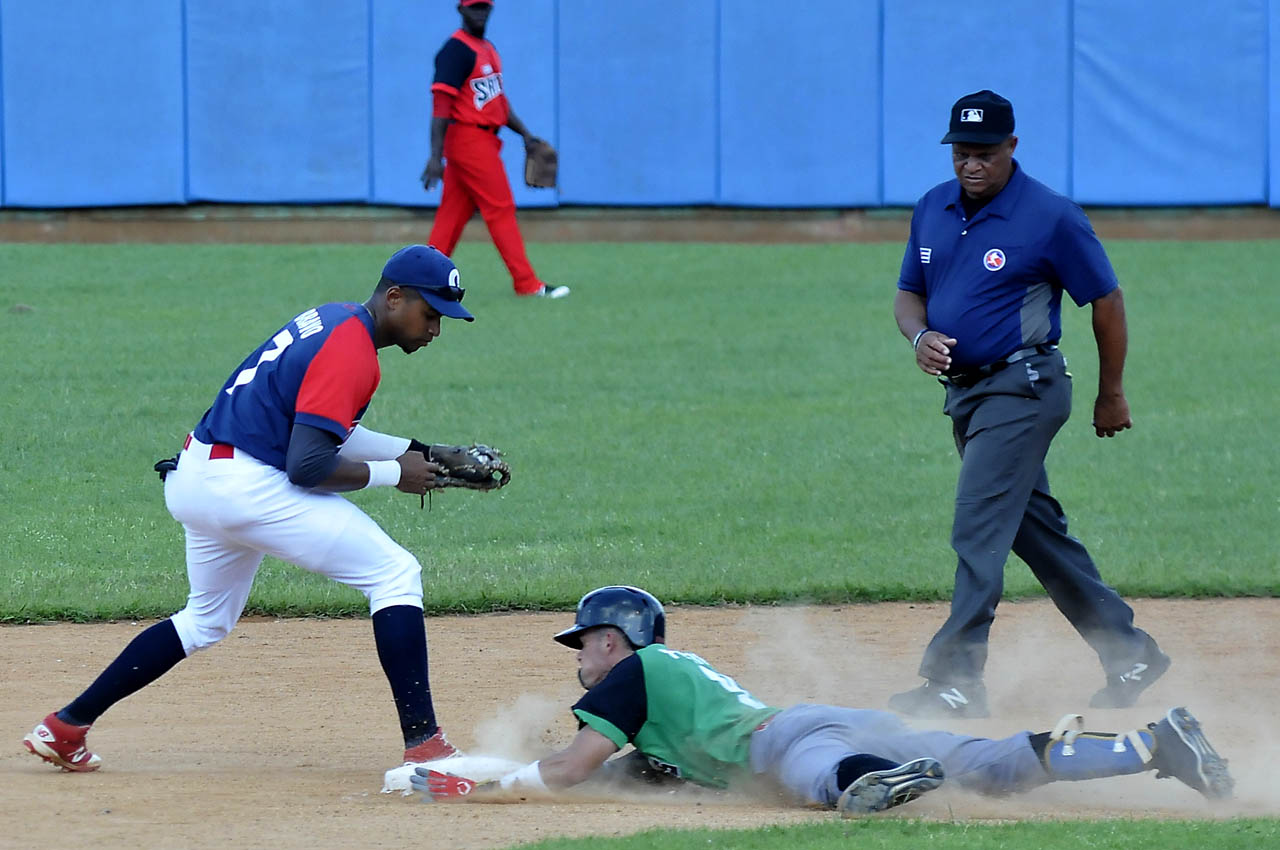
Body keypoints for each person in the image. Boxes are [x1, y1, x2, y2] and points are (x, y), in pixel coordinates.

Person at [22, 245, 474, 772]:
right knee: (396, 574)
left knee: (205, 619)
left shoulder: (336, 319)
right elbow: (307, 466)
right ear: (395, 298)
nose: (436, 329)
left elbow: (326, 428)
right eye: (431, 313)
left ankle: (65, 726)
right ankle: (425, 746)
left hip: (199, 475)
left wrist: (421, 449)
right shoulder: (352, 350)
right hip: (245, 485)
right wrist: (398, 472)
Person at [411, 586, 1233, 815]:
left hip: (794, 739)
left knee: (820, 775)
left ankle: (866, 784)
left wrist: (485, 779)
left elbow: (568, 768)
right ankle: (1151, 746)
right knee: (984, 765)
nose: (580, 656)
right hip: (829, 717)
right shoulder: (672, 682)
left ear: (615, 642)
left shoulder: (636, 672)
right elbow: (624, 773)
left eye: (584, 641)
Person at [887, 90, 1169, 719]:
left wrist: (1112, 392)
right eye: (962, 152)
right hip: (967, 395)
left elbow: (1107, 300)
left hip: (1024, 388)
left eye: (985, 153)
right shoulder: (933, 208)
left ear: (1012, 147)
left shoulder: (1051, 216)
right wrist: (919, 336)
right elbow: (909, 295)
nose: (971, 165)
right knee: (1032, 533)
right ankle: (1128, 651)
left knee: (977, 527)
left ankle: (955, 682)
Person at [421, 0, 569, 300]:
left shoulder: (487, 48)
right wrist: (435, 157)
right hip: (467, 140)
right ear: (460, 10)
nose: (479, 13)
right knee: (500, 209)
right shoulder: (455, 51)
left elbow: (498, 102)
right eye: (474, 7)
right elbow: (441, 108)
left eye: (484, 8)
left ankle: (422, 283)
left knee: (452, 216)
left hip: (484, 139)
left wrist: (525, 135)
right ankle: (527, 284)